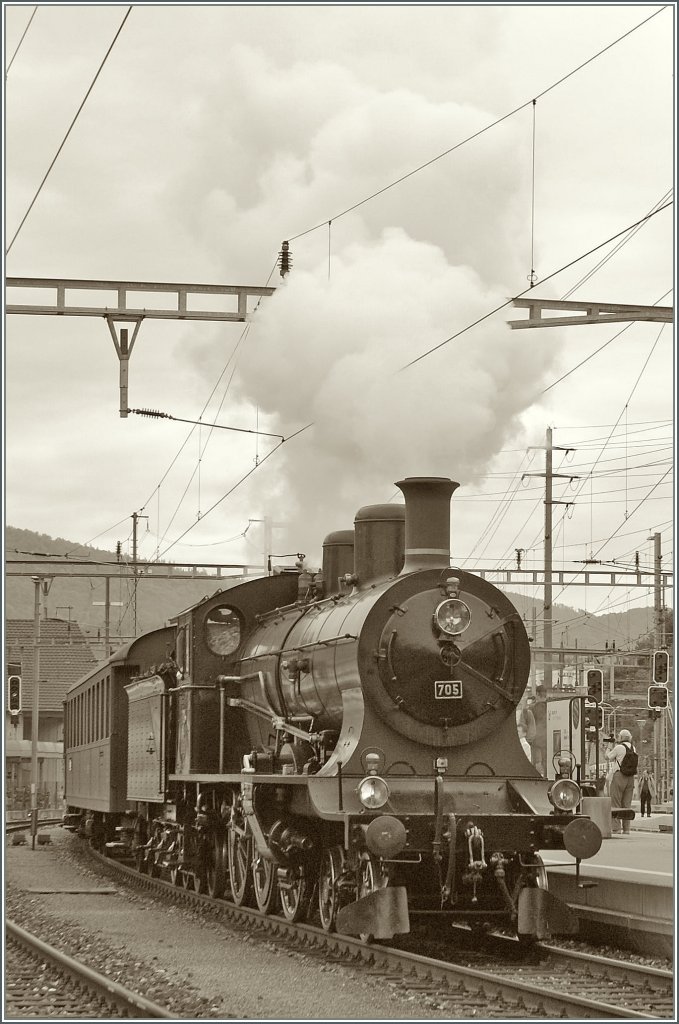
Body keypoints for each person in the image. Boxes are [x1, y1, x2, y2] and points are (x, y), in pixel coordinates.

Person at [605, 729, 637, 834]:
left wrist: (609, 746)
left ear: (621, 737)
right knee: (627, 804)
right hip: (630, 778)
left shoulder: (619, 747)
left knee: (615, 803)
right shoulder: (634, 748)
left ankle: (616, 828)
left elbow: (607, 757)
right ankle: (627, 829)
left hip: (619, 776)